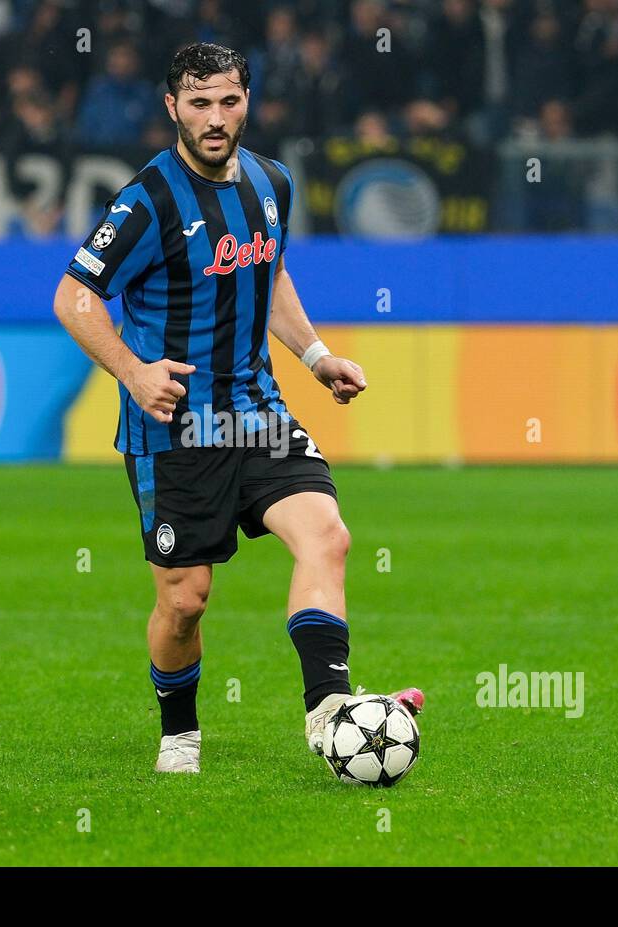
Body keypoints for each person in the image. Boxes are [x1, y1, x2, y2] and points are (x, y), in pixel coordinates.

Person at [52, 42, 423, 775]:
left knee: (329, 537)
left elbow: (272, 271)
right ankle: (180, 731)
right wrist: (131, 371)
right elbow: (74, 296)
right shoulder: (146, 202)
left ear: (247, 100)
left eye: (228, 101)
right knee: (186, 602)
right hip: (175, 429)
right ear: (172, 108)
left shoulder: (271, 183)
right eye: (199, 104)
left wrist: (316, 357)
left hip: (256, 410)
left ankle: (328, 708)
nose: (215, 118)